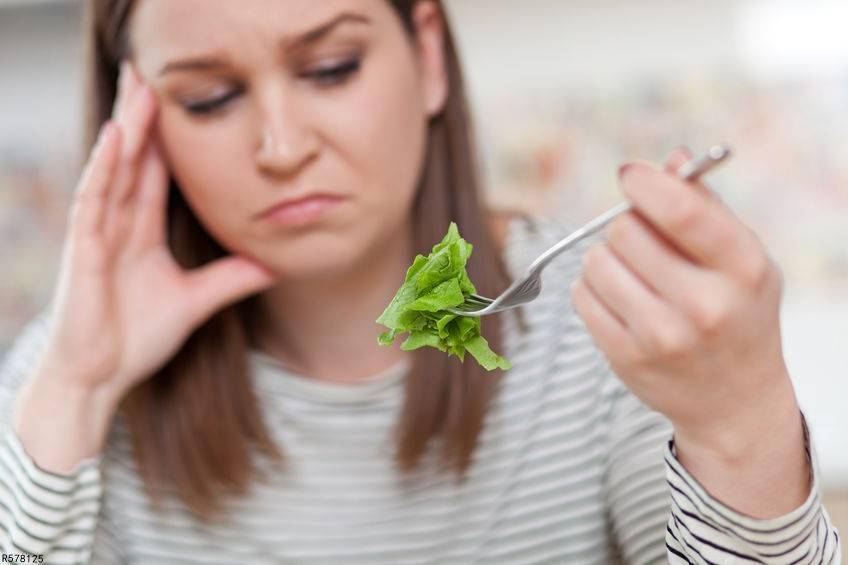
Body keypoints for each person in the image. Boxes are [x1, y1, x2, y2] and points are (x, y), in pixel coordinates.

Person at [0, 0, 841, 563]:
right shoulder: (67, 373)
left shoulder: (607, 326)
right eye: (212, 97)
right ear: (135, 119)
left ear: (429, 53)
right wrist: (73, 389)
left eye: (330, 67)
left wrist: (741, 424)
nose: (282, 146)